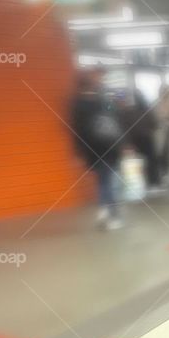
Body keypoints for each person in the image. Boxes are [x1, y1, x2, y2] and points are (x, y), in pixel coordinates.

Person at [70, 68, 126, 230]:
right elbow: (116, 117)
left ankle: (103, 211)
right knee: (110, 182)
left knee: (103, 181)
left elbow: (76, 129)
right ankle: (112, 215)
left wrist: (78, 152)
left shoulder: (77, 103)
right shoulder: (103, 100)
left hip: (92, 148)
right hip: (109, 146)